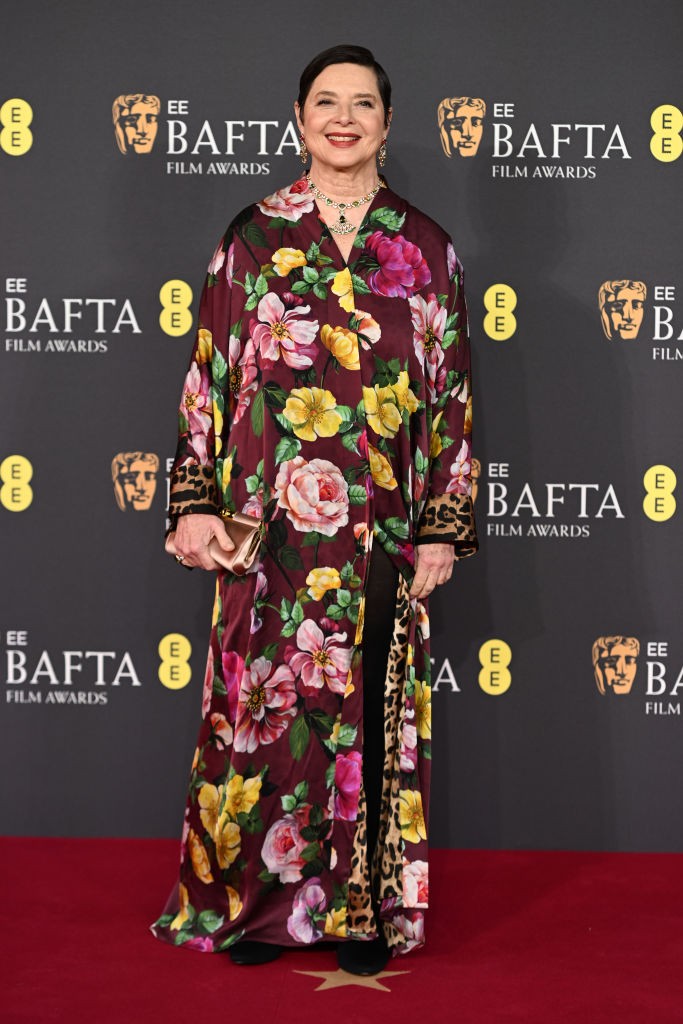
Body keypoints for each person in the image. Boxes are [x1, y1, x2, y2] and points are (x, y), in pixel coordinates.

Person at [151, 43, 478, 975]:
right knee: (265, 713)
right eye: (325, 102)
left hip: (380, 527)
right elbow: (209, 377)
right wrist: (194, 503)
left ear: (387, 122)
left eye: (361, 103)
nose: (343, 118)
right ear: (298, 119)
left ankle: (360, 913)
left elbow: (450, 397)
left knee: (366, 713)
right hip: (269, 530)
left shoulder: (426, 248)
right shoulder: (252, 235)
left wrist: (442, 526)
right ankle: (259, 911)